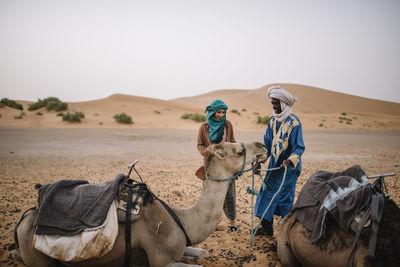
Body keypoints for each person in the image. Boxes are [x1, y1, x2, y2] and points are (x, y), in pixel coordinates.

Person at [255, 85, 305, 236]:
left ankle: (287, 233)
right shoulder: (272, 121)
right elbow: (267, 144)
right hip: (274, 166)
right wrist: (259, 161)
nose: (274, 106)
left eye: (276, 103)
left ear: (283, 103)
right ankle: (266, 228)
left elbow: (299, 147)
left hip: (289, 168)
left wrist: (290, 161)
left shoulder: (294, 123)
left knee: (284, 198)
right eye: (272, 103)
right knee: (265, 192)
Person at [195, 99, 238, 234]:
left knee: (230, 194)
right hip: (211, 165)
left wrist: (233, 154)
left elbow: (232, 142)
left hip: (226, 166)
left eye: (223, 112)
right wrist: (210, 151)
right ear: (212, 112)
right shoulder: (204, 127)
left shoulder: (227, 125)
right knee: (210, 194)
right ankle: (209, 223)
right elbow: (200, 145)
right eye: (218, 112)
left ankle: (232, 224)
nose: (220, 115)